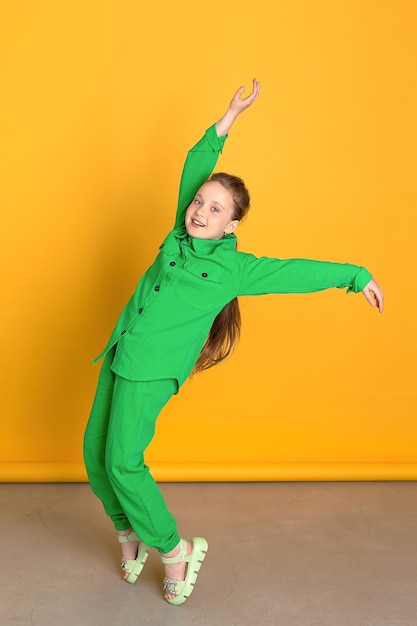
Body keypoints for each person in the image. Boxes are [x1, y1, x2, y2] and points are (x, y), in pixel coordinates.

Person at [83, 79, 384, 606]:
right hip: (121, 349)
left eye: (215, 208)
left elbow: (296, 271)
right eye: (199, 202)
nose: (200, 210)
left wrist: (356, 276)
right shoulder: (178, 235)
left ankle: (173, 548)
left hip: (151, 369)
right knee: (94, 454)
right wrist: (229, 118)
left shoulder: (232, 270)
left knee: (124, 462)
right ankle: (128, 531)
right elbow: (195, 165)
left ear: (233, 223)